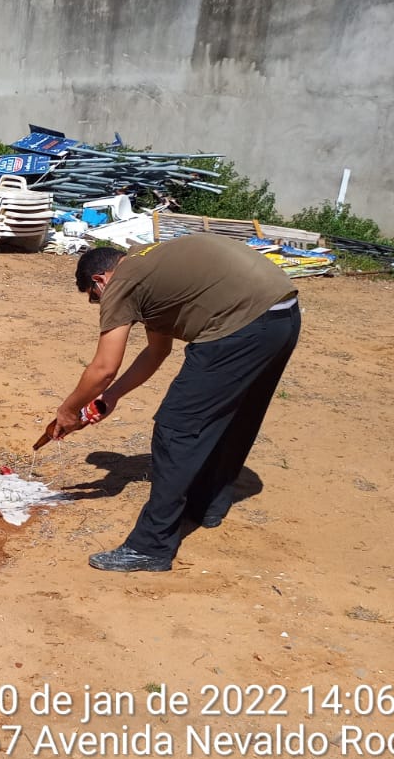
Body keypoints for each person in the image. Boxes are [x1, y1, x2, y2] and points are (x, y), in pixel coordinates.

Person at [51, 235, 301, 573]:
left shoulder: (122, 282)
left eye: (96, 299)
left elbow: (103, 368)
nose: (102, 305)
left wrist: (67, 411)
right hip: (282, 315)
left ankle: (151, 547)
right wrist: (110, 397)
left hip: (240, 325)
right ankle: (208, 504)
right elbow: (157, 352)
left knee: (176, 429)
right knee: (233, 417)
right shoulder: (149, 266)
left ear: (100, 280)